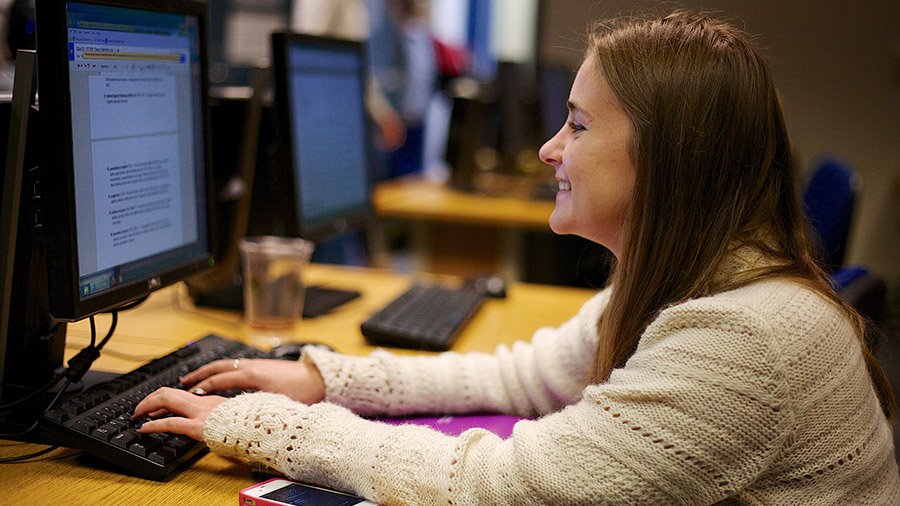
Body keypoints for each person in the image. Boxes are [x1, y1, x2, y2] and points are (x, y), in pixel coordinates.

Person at [134, 11, 900, 503]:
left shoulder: (745, 340)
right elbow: (519, 376)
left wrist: (266, 425)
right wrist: (322, 376)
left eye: (576, 125)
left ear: (664, 157)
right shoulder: (696, 277)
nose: (547, 149)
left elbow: (503, 485)